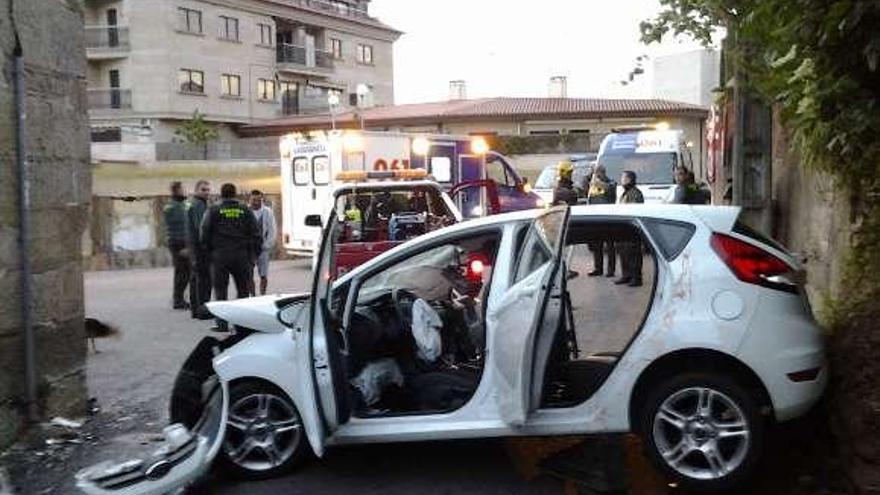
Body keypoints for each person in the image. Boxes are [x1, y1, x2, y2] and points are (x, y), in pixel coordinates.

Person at [201, 183, 262, 331]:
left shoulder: (213, 210)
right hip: (241, 256)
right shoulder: (245, 210)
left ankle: (222, 324)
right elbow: (256, 234)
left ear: (221, 194)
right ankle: (242, 325)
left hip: (220, 256)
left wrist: (209, 252)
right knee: (242, 291)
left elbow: (204, 232)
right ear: (235, 194)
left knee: (220, 291)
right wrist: (253, 255)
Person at [186, 180, 213, 319]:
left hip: (195, 247)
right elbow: (201, 228)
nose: (207, 192)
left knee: (196, 279)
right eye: (203, 189)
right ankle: (202, 310)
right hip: (200, 248)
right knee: (204, 280)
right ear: (196, 190)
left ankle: (196, 310)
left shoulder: (197, 204)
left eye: (208, 190)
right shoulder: (198, 205)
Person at [586, 164, 617, 277]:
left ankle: (610, 270)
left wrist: (597, 182)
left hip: (607, 218)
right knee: (596, 245)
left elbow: (609, 189)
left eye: (596, 172)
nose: (594, 175)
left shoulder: (611, 182)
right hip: (595, 218)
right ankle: (598, 268)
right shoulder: (593, 185)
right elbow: (590, 198)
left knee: (609, 246)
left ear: (602, 173)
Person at [163, 181, 190, 310]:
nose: (185, 191)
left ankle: (179, 299)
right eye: (183, 189)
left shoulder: (179, 204)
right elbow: (179, 227)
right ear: (177, 190)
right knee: (182, 272)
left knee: (184, 271)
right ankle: (178, 300)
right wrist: (183, 246)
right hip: (179, 242)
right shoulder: (174, 207)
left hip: (180, 241)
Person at [616, 171, 645, 287]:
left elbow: (633, 210)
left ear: (629, 179)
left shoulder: (635, 193)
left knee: (633, 253)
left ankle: (636, 278)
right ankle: (626, 275)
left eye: (623, 178)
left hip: (631, 228)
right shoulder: (625, 193)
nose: (621, 180)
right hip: (624, 228)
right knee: (624, 252)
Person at [249, 190, 277, 296]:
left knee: (263, 274)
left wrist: (267, 245)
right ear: (250, 199)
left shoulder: (267, 212)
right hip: (250, 248)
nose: (255, 202)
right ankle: (252, 295)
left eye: (258, 200)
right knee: (249, 274)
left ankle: (263, 295)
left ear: (262, 199)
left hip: (263, 248)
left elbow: (272, 230)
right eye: (253, 200)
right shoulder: (246, 210)